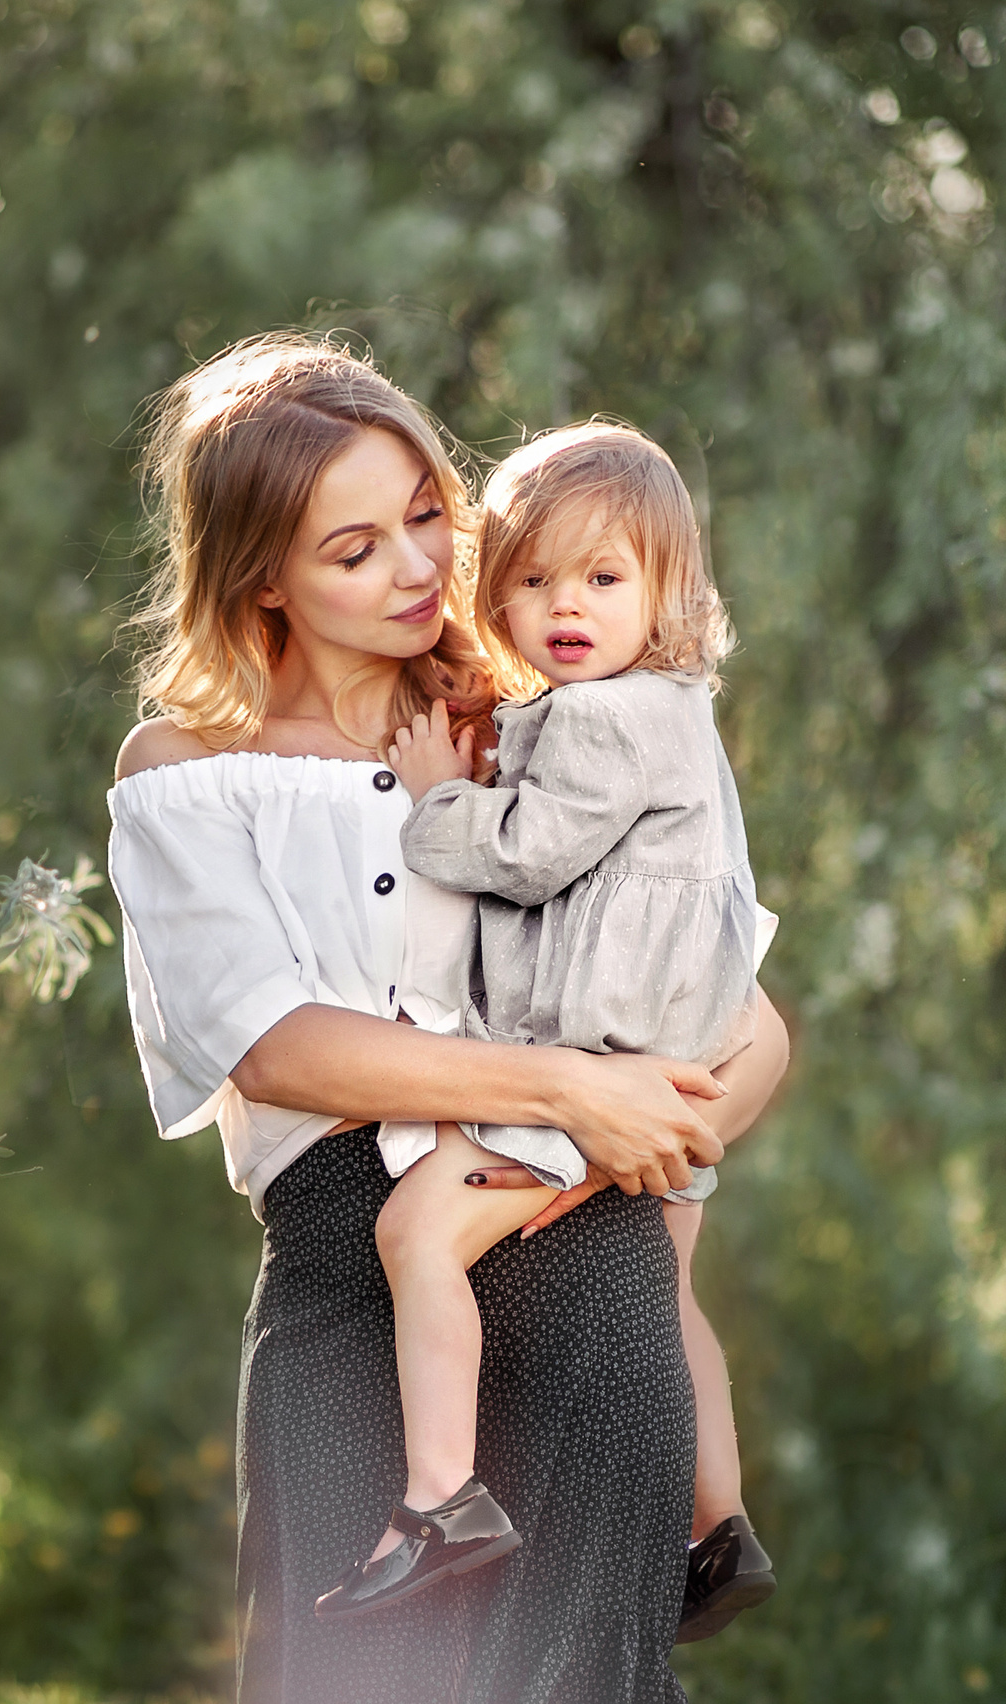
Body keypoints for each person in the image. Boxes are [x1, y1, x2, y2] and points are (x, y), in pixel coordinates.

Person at [105, 332, 790, 1703]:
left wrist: (603, 1132)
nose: (420, 567)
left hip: (585, 1280)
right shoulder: (189, 769)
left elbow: (746, 1021)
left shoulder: (522, 732)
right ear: (262, 580)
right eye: (354, 549)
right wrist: (566, 1088)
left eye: (427, 514)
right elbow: (275, 1047)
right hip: (343, 1295)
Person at [312, 422, 776, 1642]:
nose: (563, 606)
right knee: (672, 1281)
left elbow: (526, 856)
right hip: (685, 1048)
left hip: (610, 1057)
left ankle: (438, 1500)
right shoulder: (671, 708)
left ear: (668, 590)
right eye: (531, 580)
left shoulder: (602, 721)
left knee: (416, 1233)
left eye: (602, 579)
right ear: (494, 589)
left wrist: (433, 803)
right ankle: (718, 1528)